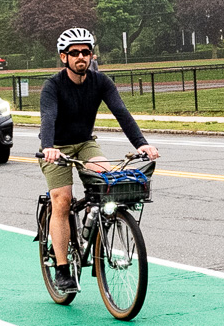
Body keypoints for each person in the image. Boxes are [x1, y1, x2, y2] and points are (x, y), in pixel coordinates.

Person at [38, 28, 158, 294]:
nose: (81, 56)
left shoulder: (101, 82)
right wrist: (48, 147)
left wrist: (142, 144)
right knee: (62, 200)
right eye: (75, 52)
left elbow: (121, 112)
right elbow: (48, 117)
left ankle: (98, 226)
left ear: (91, 55)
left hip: (85, 143)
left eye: (86, 52)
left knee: (109, 178)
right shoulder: (52, 86)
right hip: (56, 147)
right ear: (63, 57)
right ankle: (61, 268)